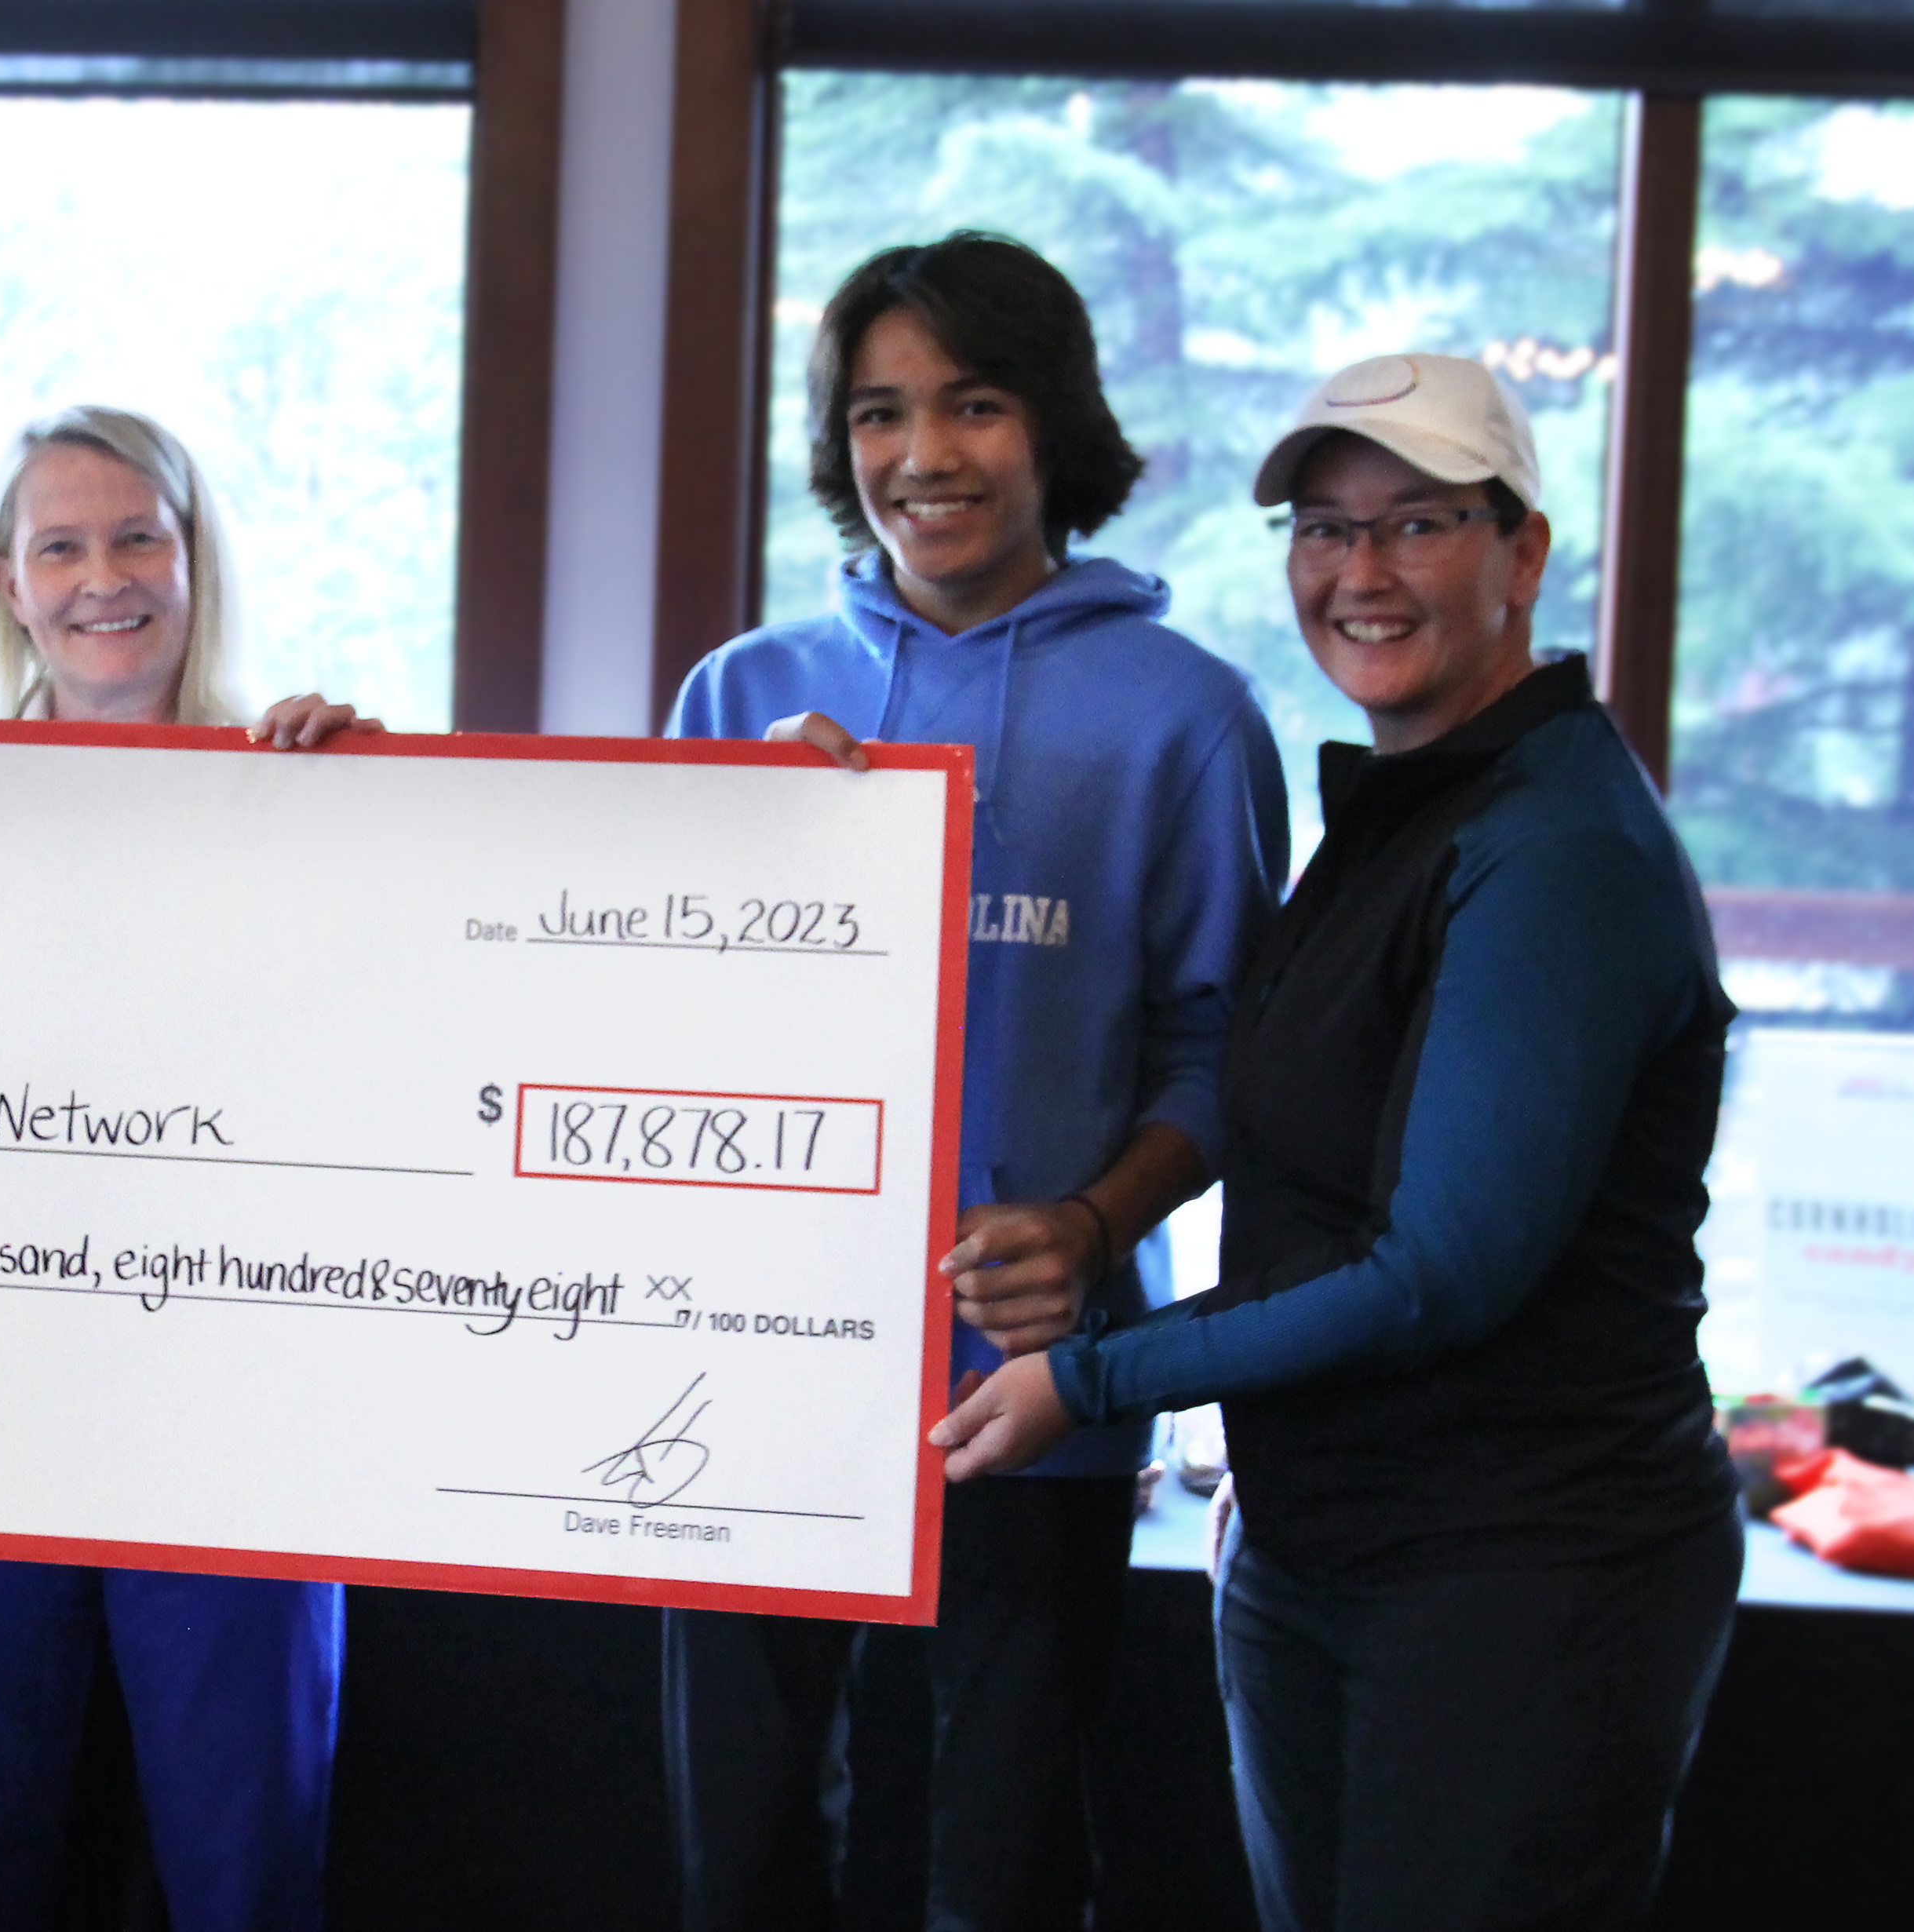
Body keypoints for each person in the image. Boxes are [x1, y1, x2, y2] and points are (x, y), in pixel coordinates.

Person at [932, 353, 1744, 1932]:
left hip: (1517, 1584)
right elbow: (1285, 1121)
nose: (1356, 572)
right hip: (1331, 1546)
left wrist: (1090, 1372)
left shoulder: (1556, 845)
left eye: (1416, 523)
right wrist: (1097, 1231)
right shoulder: (1406, 808)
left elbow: (1438, 1269)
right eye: (1319, 527)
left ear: (1522, 551)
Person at [662, 232, 1289, 1930]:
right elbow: (636, 1016)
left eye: (972, 402)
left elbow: (1229, 1055)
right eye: (877, 411)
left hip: (1032, 1392)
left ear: (1051, 426)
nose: (921, 454)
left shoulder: (1188, 718)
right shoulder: (740, 696)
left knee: (1005, 1865)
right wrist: (751, 868)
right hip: (741, 1381)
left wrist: (1087, 1228)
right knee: (740, 1853)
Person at [0, 405, 366, 1932]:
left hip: (232, 1406)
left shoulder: (322, 788)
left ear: (192, 553)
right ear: (7, 581)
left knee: (244, 1865)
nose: (104, 576)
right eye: (60, 545)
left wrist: (384, 815)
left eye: (138, 533)